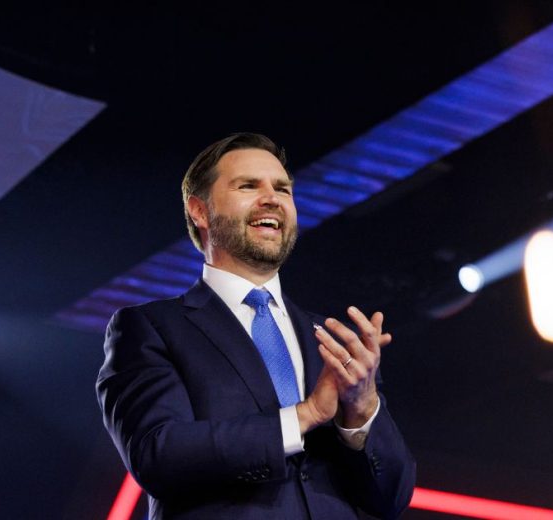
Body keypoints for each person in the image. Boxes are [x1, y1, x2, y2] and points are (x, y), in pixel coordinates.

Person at [96, 133, 416, 519]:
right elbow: (156, 455)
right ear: (200, 211)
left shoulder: (337, 343)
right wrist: (306, 414)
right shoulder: (151, 327)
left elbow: (392, 497)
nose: (272, 198)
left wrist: (362, 412)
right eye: (248, 186)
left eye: (282, 189)